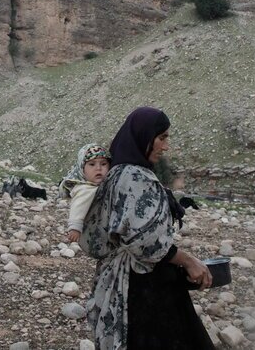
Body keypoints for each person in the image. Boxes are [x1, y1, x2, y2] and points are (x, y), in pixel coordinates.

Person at [82, 106, 215, 350]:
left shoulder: (117, 173)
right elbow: (145, 242)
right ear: (144, 136)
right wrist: (188, 261)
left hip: (128, 280)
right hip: (143, 287)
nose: (165, 147)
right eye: (161, 138)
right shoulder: (135, 177)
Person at [60, 143, 112, 243]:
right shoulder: (85, 189)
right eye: (92, 164)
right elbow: (78, 207)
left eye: (103, 164)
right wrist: (75, 227)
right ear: (82, 169)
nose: (98, 168)